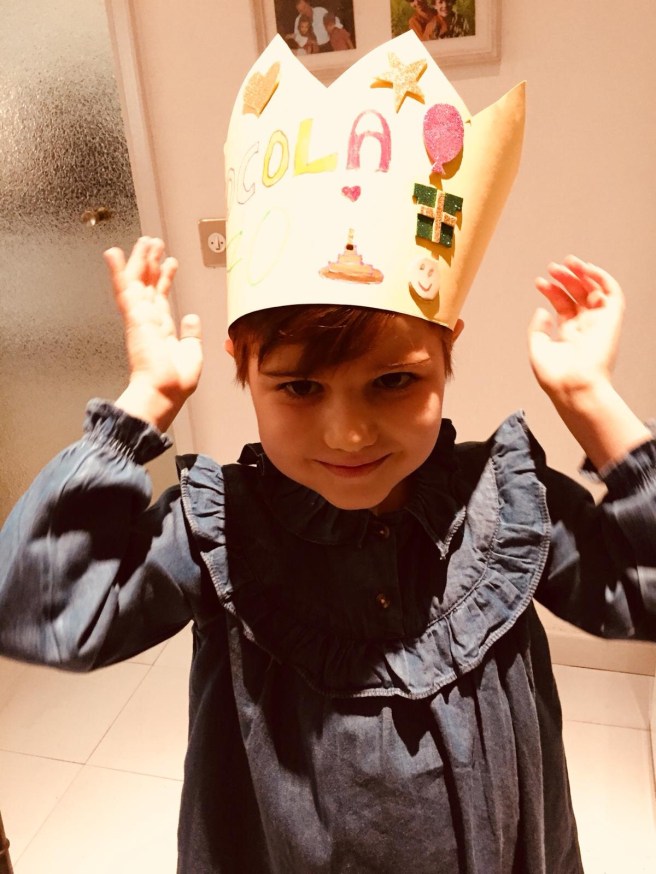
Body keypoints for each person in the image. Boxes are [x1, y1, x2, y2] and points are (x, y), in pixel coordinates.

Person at [1, 32, 655, 874]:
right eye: (301, 388)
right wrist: (145, 401)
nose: (348, 435)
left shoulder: (506, 502)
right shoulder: (221, 528)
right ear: (243, 368)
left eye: (393, 382)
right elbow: (39, 605)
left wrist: (592, 399)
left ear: (448, 352)